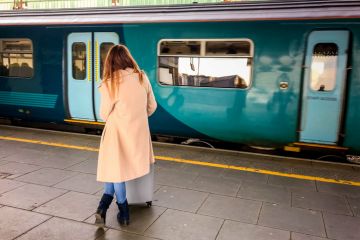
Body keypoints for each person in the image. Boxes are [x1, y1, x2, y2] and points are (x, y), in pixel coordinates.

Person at [95, 44, 157, 227]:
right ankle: (105, 208)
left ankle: (120, 211)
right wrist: (136, 116)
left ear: (110, 62)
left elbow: (104, 114)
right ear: (128, 58)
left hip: (116, 133)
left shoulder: (110, 82)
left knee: (116, 171)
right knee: (114, 170)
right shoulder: (142, 77)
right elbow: (152, 106)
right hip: (137, 133)